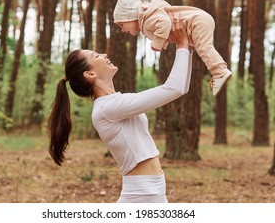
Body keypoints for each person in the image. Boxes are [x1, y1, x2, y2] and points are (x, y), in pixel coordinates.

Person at [47, 30, 192, 203]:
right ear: (90, 74)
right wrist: (182, 44)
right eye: (96, 55)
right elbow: (174, 88)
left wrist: (187, 48)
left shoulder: (114, 103)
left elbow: (181, 87)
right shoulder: (107, 108)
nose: (104, 54)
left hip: (153, 190)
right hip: (142, 194)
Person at [113, 0, 232, 96]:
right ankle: (220, 69)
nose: (123, 30)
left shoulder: (147, 20)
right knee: (204, 47)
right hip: (198, 21)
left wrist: (157, 43)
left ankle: (219, 72)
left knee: (204, 48)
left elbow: (165, 22)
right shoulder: (149, 17)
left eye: (122, 25)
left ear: (129, 16)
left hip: (196, 22)